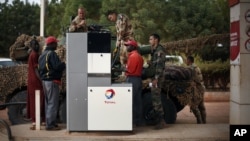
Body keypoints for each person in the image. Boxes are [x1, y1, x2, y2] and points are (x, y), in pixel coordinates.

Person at [38, 36, 66, 131]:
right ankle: (50, 125)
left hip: (45, 81)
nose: (57, 45)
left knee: (48, 103)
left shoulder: (43, 54)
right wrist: (64, 64)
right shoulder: (52, 54)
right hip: (52, 81)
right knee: (52, 103)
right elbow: (57, 67)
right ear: (52, 44)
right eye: (56, 43)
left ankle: (50, 122)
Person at [107, 10, 134, 81]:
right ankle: (123, 75)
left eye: (110, 17)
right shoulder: (117, 21)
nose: (111, 20)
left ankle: (128, 75)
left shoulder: (121, 17)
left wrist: (118, 40)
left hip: (128, 41)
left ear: (113, 14)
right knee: (122, 58)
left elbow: (122, 30)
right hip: (123, 41)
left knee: (127, 58)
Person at [148, 33, 167, 129]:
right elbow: (155, 64)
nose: (149, 41)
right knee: (154, 97)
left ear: (156, 40)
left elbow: (160, 66)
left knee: (156, 99)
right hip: (154, 78)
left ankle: (161, 121)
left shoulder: (159, 51)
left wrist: (156, 78)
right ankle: (158, 120)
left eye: (151, 39)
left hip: (157, 79)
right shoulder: (154, 50)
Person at [123, 40, 144, 127]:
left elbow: (130, 70)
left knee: (129, 101)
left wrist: (123, 69)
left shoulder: (133, 56)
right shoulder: (139, 56)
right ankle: (138, 121)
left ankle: (129, 122)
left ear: (133, 47)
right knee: (137, 102)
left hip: (132, 79)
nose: (127, 47)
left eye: (128, 45)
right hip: (138, 80)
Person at [27, 36, 45, 130]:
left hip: (32, 80)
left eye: (37, 44)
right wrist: (41, 79)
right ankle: (36, 121)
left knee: (34, 100)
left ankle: (36, 121)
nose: (36, 46)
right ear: (32, 46)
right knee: (38, 100)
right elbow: (36, 69)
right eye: (35, 45)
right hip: (36, 81)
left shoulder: (32, 54)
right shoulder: (34, 55)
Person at [186, 55, 206, 123]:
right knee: (201, 106)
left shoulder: (191, 68)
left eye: (187, 60)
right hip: (202, 88)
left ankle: (199, 121)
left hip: (197, 89)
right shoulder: (196, 67)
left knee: (193, 106)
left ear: (189, 60)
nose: (186, 61)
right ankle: (204, 121)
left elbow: (192, 79)